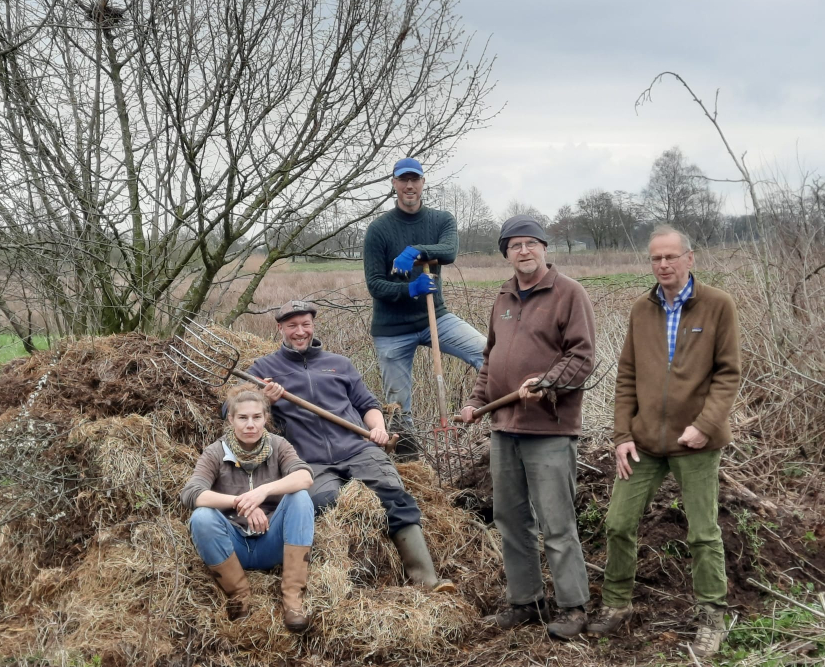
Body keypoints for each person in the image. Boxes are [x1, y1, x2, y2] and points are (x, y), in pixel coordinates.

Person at [587, 226, 741, 659]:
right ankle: (617, 603)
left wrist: (706, 425)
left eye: (671, 257)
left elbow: (728, 374)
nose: (664, 265)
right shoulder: (642, 309)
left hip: (697, 443)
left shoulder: (717, 306)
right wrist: (621, 435)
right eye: (656, 259)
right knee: (618, 522)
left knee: (703, 532)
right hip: (645, 443)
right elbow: (627, 378)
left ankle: (712, 618)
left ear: (690, 259)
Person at [250, 299, 455, 592]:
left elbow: (367, 404)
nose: (300, 331)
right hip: (309, 460)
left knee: (394, 497)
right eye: (292, 325)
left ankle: (427, 581)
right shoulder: (263, 369)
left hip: (358, 449)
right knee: (323, 503)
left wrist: (379, 428)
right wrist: (264, 400)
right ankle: (342, 585)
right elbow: (232, 410)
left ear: (313, 326)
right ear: (280, 328)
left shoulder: (339, 364)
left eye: (305, 324)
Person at [459, 215, 596, 638]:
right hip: (504, 429)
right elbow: (490, 359)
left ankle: (573, 607)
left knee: (556, 522)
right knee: (512, 519)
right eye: (515, 245)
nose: (524, 251)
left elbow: (582, 357)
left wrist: (548, 383)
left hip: (550, 430)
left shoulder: (569, 294)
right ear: (506, 253)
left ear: (544, 248)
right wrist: (476, 403)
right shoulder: (502, 298)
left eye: (531, 243)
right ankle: (527, 601)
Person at [363, 157, 487, 459]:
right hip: (392, 330)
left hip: (436, 318)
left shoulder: (441, 220)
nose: (409, 185)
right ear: (394, 183)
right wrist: (410, 288)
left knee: (488, 353)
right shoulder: (378, 229)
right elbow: (375, 285)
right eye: (403, 180)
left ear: (422, 182)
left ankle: (500, 425)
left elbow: (449, 251)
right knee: (397, 404)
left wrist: (417, 252)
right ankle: (411, 465)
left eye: (414, 179)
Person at [181, 383, 315, 632]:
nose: (250, 424)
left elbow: (305, 477)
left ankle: (293, 598)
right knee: (201, 517)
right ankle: (239, 596)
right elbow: (192, 493)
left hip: (273, 543)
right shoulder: (215, 452)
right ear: (231, 419)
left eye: (256, 417)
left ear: (266, 418)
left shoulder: (279, 445)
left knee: (300, 497)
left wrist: (261, 492)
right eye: (242, 417)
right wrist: (239, 503)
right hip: (233, 549)